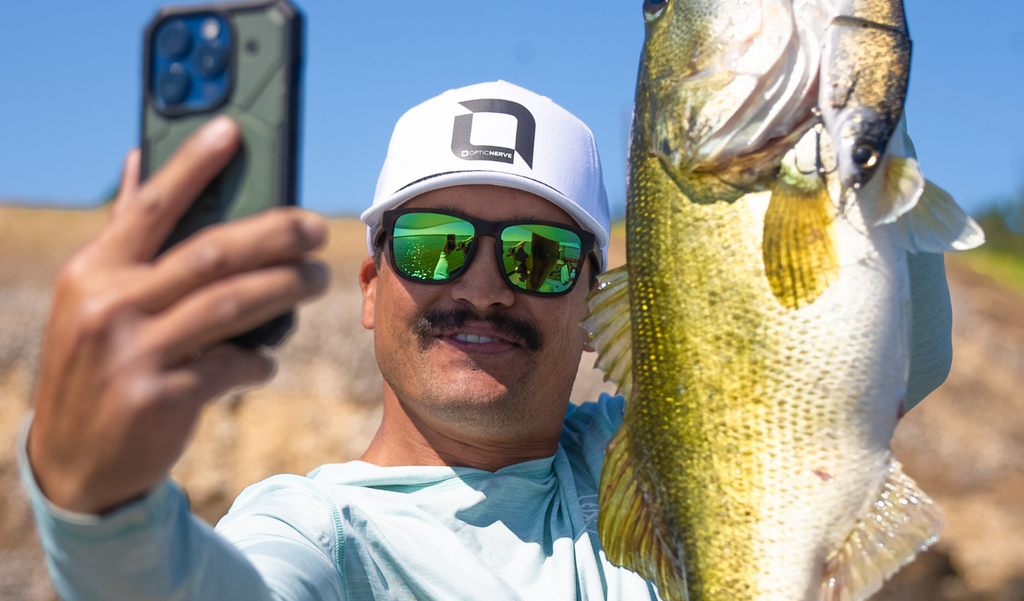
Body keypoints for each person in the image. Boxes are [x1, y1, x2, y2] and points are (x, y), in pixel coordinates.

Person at [19, 81, 954, 601]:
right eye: (434, 245)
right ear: (370, 284)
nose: (482, 282)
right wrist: (98, 505)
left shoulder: (666, 447)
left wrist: (852, 80)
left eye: (541, 254)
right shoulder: (319, 534)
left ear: (596, 295)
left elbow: (886, 361)